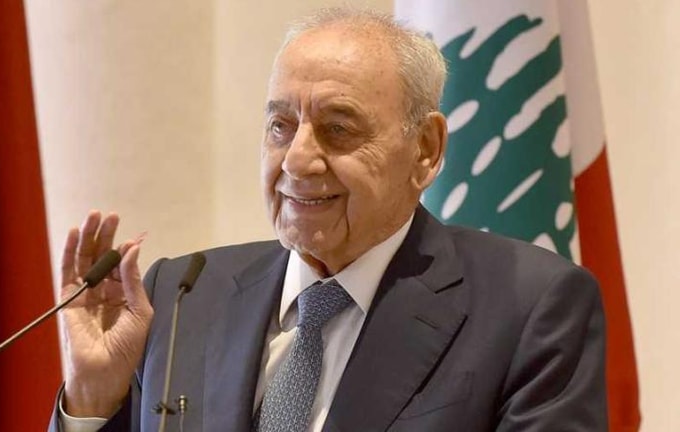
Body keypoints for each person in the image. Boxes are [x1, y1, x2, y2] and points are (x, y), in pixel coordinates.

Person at [49, 8, 607, 432]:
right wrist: (92, 399)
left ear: (426, 150)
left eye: (338, 128)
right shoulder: (183, 295)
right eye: (281, 126)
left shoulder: (529, 309)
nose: (297, 160)